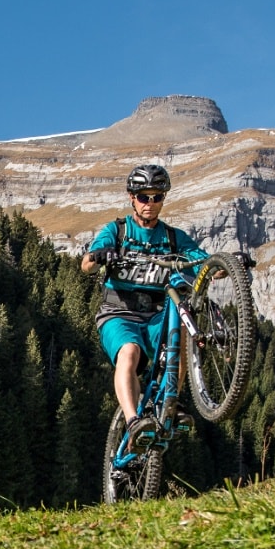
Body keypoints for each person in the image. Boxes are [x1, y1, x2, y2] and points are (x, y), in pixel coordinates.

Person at [81, 164, 209, 449]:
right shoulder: (118, 230)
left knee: (182, 342)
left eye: (157, 197)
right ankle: (133, 421)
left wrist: (226, 264)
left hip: (156, 314)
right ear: (131, 197)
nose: (150, 204)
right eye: (143, 197)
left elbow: (204, 261)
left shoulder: (173, 237)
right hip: (118, 312)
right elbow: (86, 264)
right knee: (129, 351)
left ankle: (171, 405)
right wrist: (101, 255)